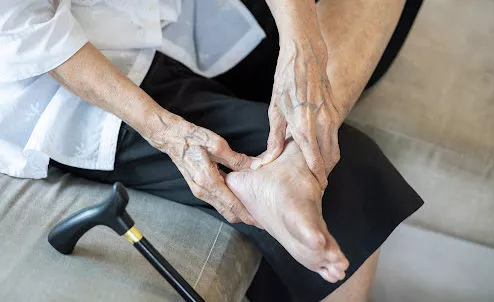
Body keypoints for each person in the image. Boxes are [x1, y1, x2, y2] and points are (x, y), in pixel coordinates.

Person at [0, 0, 423, 301]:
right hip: (76, 71)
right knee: (347, 184)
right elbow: (25, 27)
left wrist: (301, 42)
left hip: (184, 14)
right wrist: (166, 132)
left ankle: (299, 152)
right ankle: (302, 157)